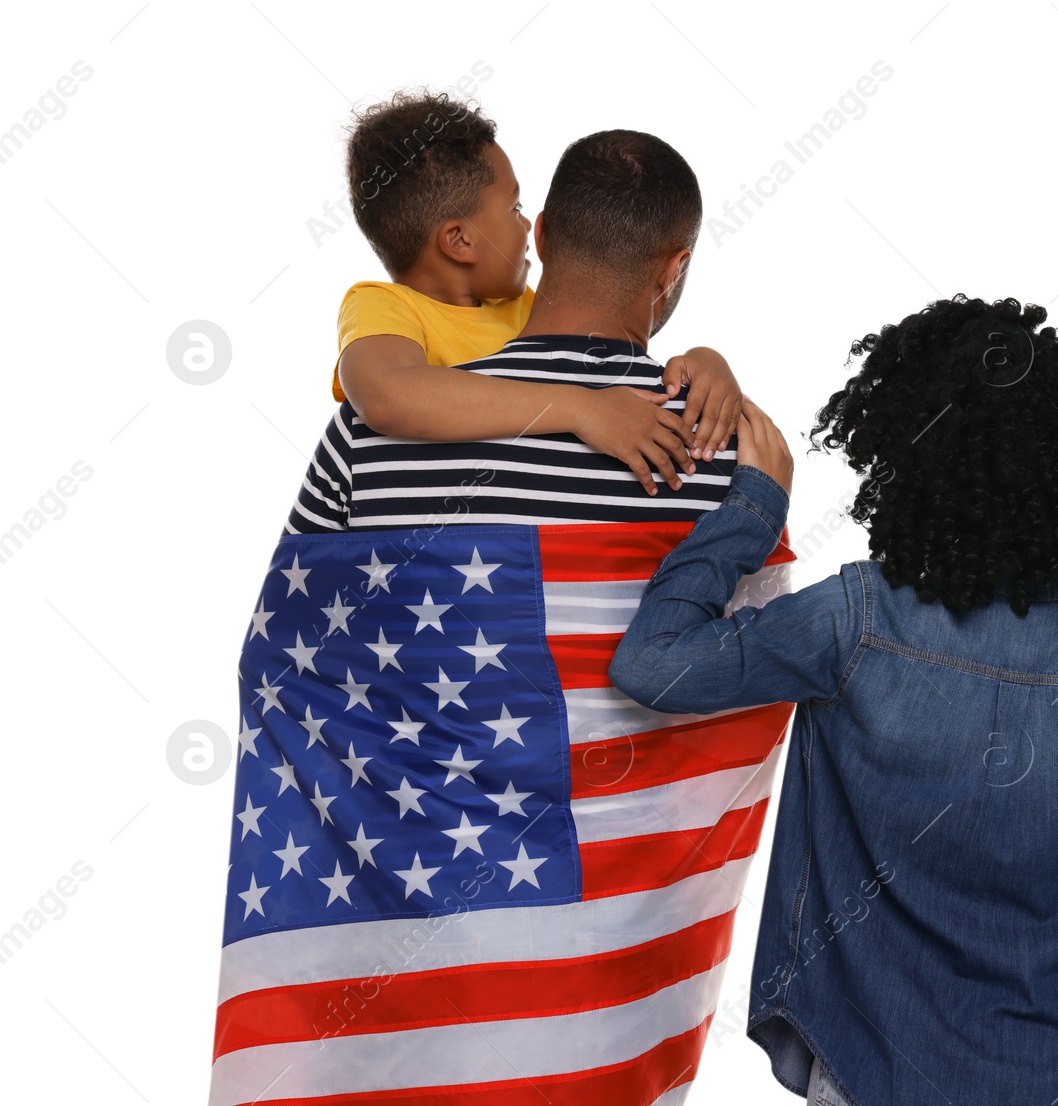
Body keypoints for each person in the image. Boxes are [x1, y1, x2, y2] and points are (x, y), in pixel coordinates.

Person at [609, 294, 1058, 1106]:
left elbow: (655, 666)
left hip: (867, 1074)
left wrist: (752, 507)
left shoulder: (855, 619)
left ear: (910, 458)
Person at [210, 129, 794, 1106]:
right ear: (673, 267)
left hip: (397, 989)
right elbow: (750, 686)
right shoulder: (732, 454)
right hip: (595, 1003)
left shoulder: (370, 432)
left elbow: (281, 663)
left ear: (546, 240)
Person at [328, 88, 743, 494]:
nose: (525, 227)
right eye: (515, 208)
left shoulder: (519, 307)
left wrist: (705, 363)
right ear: (459, 242)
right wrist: (583, 409)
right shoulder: (380, 305)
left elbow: (619, 344)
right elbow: (386, 398)